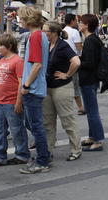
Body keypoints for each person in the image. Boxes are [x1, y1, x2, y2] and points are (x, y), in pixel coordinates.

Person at [0, 33, 30, 168]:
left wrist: (18, 102)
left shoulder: (17, 61)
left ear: (9, 46)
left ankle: (22, 155)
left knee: (17, 129)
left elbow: (21, 83)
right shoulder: (1, 61)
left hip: (11, 102)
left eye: (0, 46)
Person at [41, 21, 83, 161]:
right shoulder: (46, 45)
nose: (43, 32)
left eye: (45, 30)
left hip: (61, 87)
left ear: (53, 32)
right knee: (47, 122)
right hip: (47, 87)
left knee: (67, 121)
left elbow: (76, 62)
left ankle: (76, 149)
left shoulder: (63, 46)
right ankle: (48, 151)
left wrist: (67, 74)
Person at [17, 6, 51, 174]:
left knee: (36, 126)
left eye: (21, 18)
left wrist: (26, 85)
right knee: (33, 124)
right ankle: (44, 155)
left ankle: (42, 161)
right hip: (35, 87)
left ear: (28, 20)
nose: (19, 21)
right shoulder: (39, 35)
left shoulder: (36, 36)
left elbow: (36, 64)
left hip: (33, 88)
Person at [78, 14, 106, 151]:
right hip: (91, 79)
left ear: (87, 25)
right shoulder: (93, 39)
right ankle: (92, 136)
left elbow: (89, 63)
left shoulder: (90, 41)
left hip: (89, 79)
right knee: (90, 110)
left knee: (92, 111)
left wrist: (77, 61)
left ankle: (98, 140)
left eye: (81, 22)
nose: (79, 24)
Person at [63, 14, 85, 115]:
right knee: (75, 85)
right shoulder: (74, 32)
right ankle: (80, 107)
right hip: (73, 60)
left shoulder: (62, 31)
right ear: (72, 21)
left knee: (65, 84)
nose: (77, 22)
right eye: (76, 20)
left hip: (63, 60)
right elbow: (79, 47)